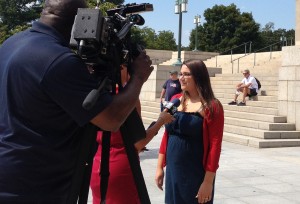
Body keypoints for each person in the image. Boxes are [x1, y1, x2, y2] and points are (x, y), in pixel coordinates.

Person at [0, 0, 153, 203]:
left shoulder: (11, 43)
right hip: (36, 185)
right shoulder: (58, 60)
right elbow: (112, 119)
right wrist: (138, 77)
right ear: (78, 21)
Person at [90, 65, 174, 204]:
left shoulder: (96, 94)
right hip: (123, 165)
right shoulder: (129, 99)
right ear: (122, 67)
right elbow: (139, 143)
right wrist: (160, 121)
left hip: (98, 164)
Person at [155, 59, 224, 204]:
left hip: (195, 172)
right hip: (174, 170)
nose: (181, 77)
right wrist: (159, 167)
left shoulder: (212, 106)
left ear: (198, 76)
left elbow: (215, 146)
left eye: (186, 74)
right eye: (181, 73)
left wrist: (208, 182)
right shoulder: (175, 100)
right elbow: (167, 135)